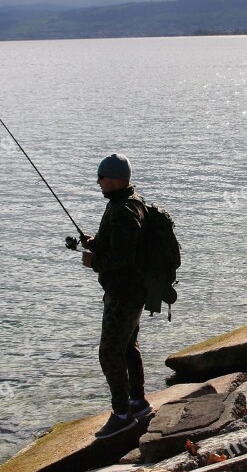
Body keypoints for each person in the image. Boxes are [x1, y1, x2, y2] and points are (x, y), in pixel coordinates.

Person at [81, 153, 152, 439]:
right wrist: (95, 243)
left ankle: (122, 414)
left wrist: (94, 261)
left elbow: (123, 257)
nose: (98, 181)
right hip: (133, 291)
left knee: (109, 351)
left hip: (123, 293)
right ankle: (138, 401)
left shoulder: (123, 211)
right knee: (127, 347)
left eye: (102, 176)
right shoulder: (128, 204)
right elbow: (122, 246)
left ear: (116, 179)